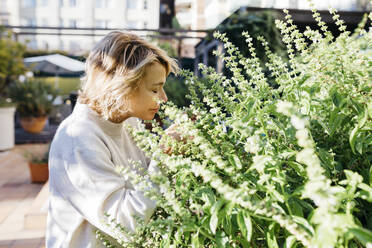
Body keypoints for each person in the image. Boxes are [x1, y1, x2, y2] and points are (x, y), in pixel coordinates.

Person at [46, 31, 178, 247]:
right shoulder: (78, 139)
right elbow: (126, 224)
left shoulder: (127, 122)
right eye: (155, 89)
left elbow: (148, 187)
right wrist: (164, 155)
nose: (164, 98)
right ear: (122, 86)